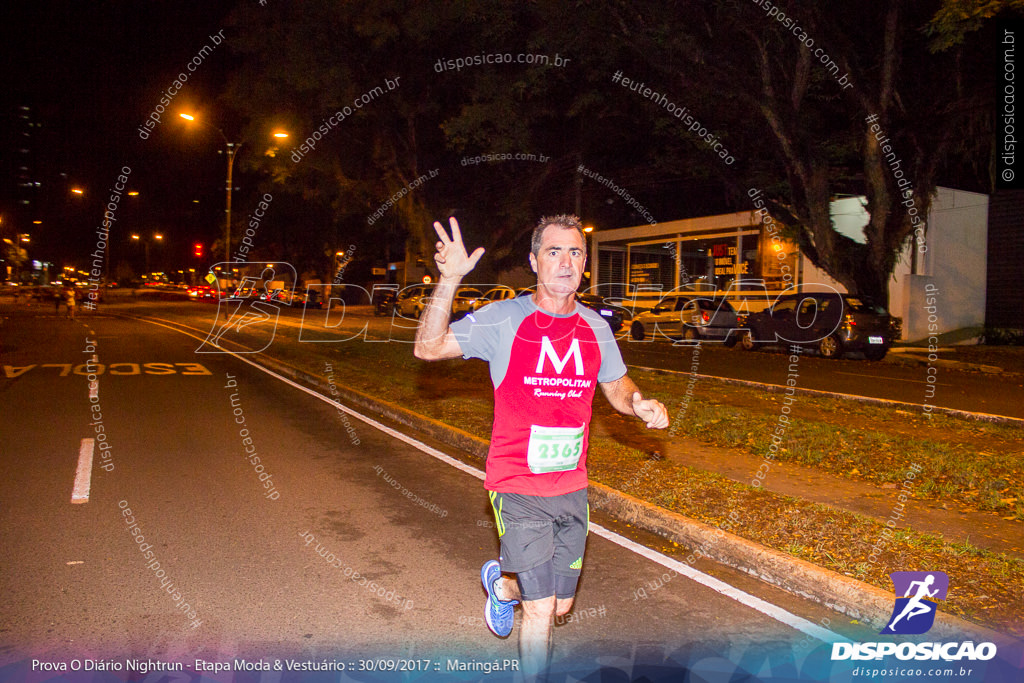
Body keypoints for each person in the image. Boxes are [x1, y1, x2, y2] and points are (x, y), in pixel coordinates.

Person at [414, 214, 668, 678]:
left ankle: (503, 585)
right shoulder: (504, 319)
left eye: (575, 252)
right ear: (534, 261)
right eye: (553, 251)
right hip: (517, 483)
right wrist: (448, 280)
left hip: (570, 485)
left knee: (559, 605)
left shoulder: (594, 327)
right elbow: (428, 348)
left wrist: (638, 402)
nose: (565, 262)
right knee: (542, 607)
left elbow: (615, 384)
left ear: (585, 264)